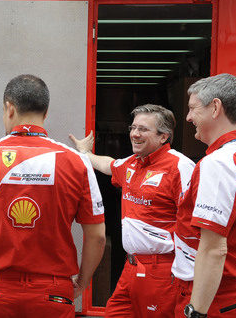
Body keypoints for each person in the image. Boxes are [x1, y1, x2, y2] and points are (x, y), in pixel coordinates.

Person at [0, 74, 106, 318]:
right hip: (54, 294)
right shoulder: (76, 162)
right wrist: (82, 283)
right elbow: (96, 236)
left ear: (9, 108)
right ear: (45, 113)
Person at [69, 104, 195, 317]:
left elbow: (195, 226)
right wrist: (84, 152)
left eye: (143, 129)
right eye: (133, 127)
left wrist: (189, 275)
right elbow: (108, 165)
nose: (135, 134)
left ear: (164, 137)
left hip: (164, 270)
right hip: (131, 267)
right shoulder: (132, 163)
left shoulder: (181, 166)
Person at [172, 73, 236, 318]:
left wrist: (197, 311)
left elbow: (214, 248)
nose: (188, 117)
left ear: (215, 107)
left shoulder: (219, 163)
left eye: (193, 108)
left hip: (217, 298)